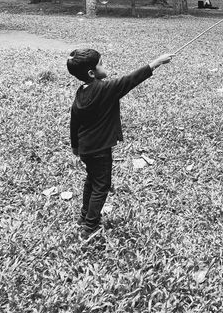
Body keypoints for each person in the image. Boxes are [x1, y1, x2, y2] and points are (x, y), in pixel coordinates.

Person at [67, 48, 173, 239]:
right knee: (102, 186)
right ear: (91, 72)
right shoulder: (106, 89)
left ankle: (84, 217)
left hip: (86, 148)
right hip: (100, 149)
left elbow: (74, 122)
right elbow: (131, 79)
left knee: (91, 181)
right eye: (101, 63)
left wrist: (75, 146)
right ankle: (90, 227)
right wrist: (158, 61)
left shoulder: (81, 93)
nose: (104, 66)